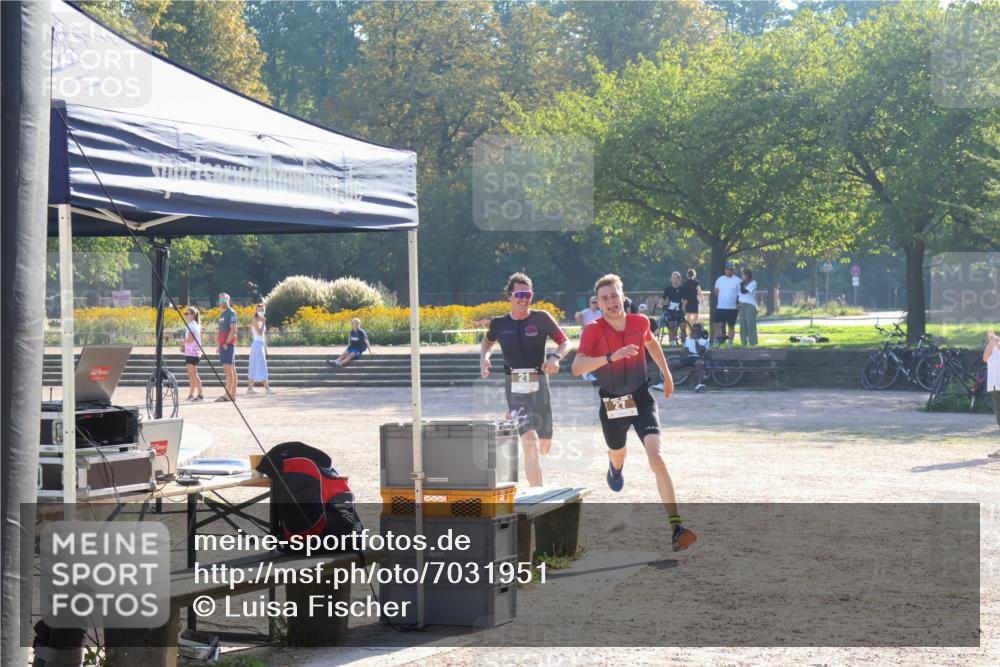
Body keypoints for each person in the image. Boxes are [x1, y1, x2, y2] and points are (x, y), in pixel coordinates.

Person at [572, 274, 697, 552]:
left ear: (622, 295)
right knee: (619, 454)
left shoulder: (640, 322)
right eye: (604, 298)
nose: (611, 302)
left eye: (614, 295)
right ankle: (615, 467)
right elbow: (577, 367)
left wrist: (666, 375)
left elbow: (651, 342)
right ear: (599, 303)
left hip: (641, 397)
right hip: (613, 402)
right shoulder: (593, 330)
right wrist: (609, 358)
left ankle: (676, 528)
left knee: (657, 458)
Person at [481, 273, 570, 487]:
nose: (524, 298)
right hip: (515, 389)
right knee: (530, 441)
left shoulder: (542, 318)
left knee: (544, 445)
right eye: (519, 294)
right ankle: (537, 497)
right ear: (510, 296)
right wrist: (484, 358)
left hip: (540, 386)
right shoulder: (499, 324)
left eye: (528, 294)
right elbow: (487, 343)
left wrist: (555, 357)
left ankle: (515, 417)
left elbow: (565, 342)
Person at [668, 322, 709, 393]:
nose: (695, 333)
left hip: (697, 359)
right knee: (672, 364)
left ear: (700, 331)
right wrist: (693, 352)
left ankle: (699, 384)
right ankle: (666, 384)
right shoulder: (688, 341)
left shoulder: (704, 341)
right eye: (693, 331)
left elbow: (699, 351)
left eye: (697, 331)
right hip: (687, 359)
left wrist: (696, 341)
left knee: (700, 364)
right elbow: (684, 353)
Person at [247, 304, 274, 395]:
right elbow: (259, 332)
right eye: (259, 310)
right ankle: (267, 388)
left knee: (256, 366)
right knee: (260, 366)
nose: (260, 311)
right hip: (257, 345)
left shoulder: (262, 318)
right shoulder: (255, 319)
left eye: (262, 310)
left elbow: (263, 336)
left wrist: (266, 348)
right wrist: (263, 323)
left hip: (261, 345)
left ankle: (250, 388)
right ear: (256, 310)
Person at [216, 293, 238, 402]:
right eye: (221, 299)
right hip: (223, 345)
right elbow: (221, 330)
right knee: (232, 370)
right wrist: (219, 345)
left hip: (227, 346)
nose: (222, 301)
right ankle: (232, 395)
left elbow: (233, 330)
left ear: (228, 300)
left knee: (228, 371)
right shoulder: (222, 313)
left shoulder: (231, 313)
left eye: (224, 299)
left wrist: (226, 343)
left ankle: (227, 395)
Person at [714, 262, 741, 346]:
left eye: (731, 269)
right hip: (721, 307)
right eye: (728, 269)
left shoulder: (738, 280)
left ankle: (730, 342)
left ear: (733, 271)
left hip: (732, 308)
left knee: (731, 326)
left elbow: (740, 294)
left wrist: (738, 304)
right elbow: (716, 290)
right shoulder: (720, 279)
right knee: (717, 324)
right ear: (725, 270)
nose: (729, 271)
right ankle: (716, 340)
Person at [181, 307, 204, 401]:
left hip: (192, 353)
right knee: (192, 374)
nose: (186, 315)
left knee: (193, 374)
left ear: (193, 315)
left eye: (187, 313)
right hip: (194, 352)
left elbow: (191, 339)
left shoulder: (191, 326)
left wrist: (182, 342)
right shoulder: (196, 325)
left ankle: (200, 394)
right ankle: (191, 394)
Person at [659, 271, 688, 345]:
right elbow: (663, 298)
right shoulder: (668, 288)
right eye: (673, 278)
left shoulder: (682, 288)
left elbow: (685, 299)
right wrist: (659, 304)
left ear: (679, 279)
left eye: (676, 278)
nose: (674, 279)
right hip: (670, 311)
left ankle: (684, 342)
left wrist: (684, 306)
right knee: (671, 328)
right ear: (671, 279)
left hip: (679, 311)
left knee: (683, 327)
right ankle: (672, 343)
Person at [984, 331, 1000, 458]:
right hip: (994, 387)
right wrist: (991, 343)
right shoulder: (992, 350)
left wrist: (997, 342)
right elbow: (985, 358)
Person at [738, 268, 759, 347]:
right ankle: (744, 343)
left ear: (747, 275)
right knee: (742, 326)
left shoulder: (753, 283)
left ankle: (753, 343)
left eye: (743, 275)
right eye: (742, 275)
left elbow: (744, 291)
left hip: (750, 305)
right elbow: (739, 294)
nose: (742, 276)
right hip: (741, 305)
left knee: (750, 325)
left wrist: (741, 284)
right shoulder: (741, 283)